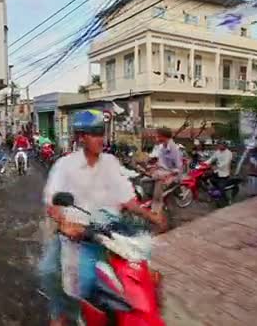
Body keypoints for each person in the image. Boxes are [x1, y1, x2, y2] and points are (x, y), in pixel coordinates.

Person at [40, 109, 166, 326]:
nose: (102, 138)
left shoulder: (110, 163)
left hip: (110, 235)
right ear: (81, 137)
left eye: (102, 132)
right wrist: (64, 223)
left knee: (146, 276)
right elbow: (52, 201)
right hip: (76, 236)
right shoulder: (65, 165)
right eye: (95, 133)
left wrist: (152, 216)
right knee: (49, 271)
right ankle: (59, 313)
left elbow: (127, 198)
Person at [150, 127, 184, 220]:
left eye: (158, 136)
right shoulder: (161, 147)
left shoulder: (174, 149)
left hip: (173, 175)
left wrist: (169, 176)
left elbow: (179, 167)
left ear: (164, 137)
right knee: (144, 179)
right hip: (162, 172)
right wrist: (154, 166)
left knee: (159, 184)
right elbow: (160, 162)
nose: (156, 137)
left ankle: (155, 210)